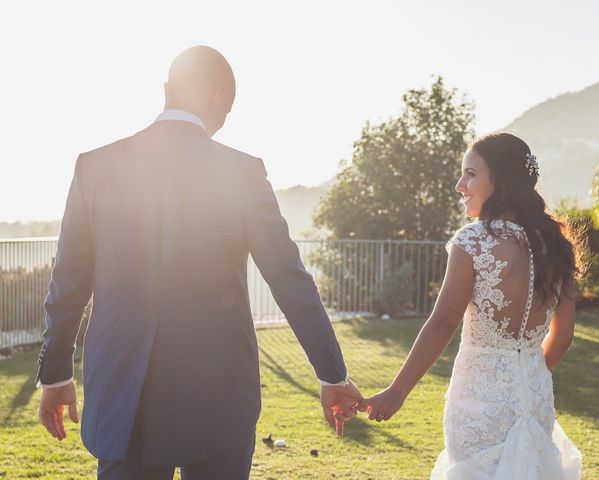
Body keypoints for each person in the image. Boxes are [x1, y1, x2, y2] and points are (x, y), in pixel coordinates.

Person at [35, 45, 361, 480]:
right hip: (219, 399)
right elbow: (287, 278)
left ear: (167, 90)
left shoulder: (95, 167)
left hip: (122, 394)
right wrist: (331, 373)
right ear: (221, 95)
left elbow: (68, 281)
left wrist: (55, 373)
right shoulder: (242, 172)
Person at [360, 132, 583, 479]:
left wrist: (397, 390)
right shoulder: (556, 244)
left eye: (470, 174)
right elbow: (564, 334)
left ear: (502, 180)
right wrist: (529, 376)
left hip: (480, 405)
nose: (459, 184)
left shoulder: (474, 240)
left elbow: (443, 322)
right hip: (535, 399)